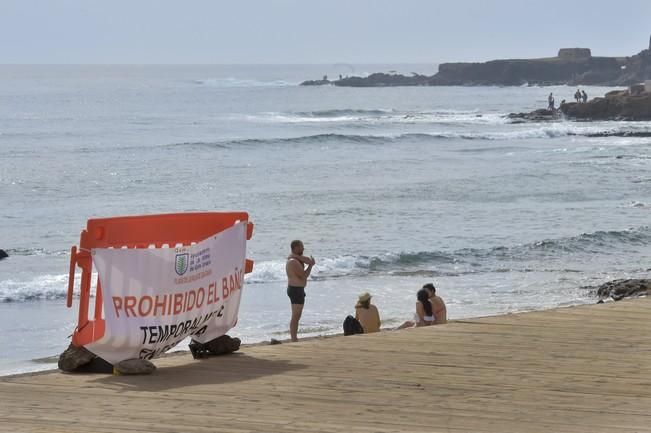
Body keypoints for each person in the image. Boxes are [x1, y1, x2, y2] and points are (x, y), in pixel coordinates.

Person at [285, 240, 315, 342]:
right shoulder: (293, 261)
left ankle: (294, 337)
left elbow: (307, 260)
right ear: (296, 248)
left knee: (297, 315)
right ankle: (294, 338)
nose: (303, 249)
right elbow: (304, 276)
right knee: (296, 315)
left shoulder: (296, 259)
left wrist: (308, 262)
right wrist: (310, 266)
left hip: (298, 289)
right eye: (301, 247)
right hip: (295, 290)